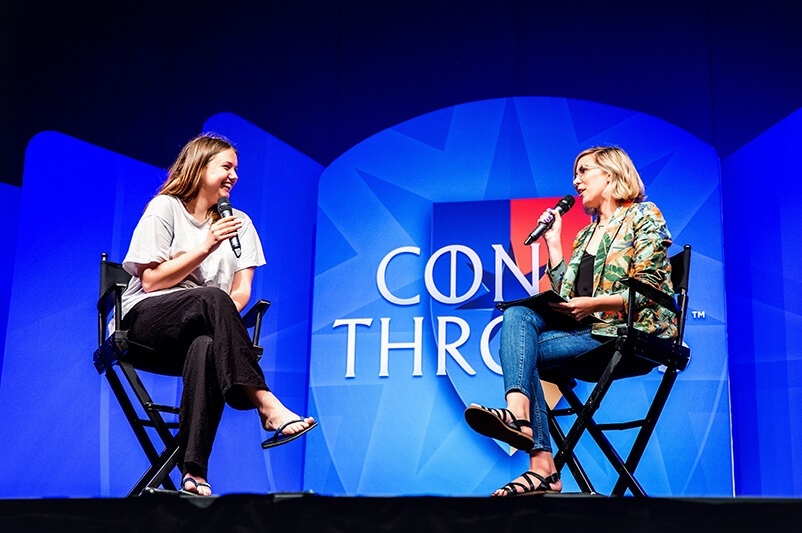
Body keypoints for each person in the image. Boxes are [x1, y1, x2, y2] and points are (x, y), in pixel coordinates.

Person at [465, 145, 676, 496]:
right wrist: (554, 244)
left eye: (583, 171)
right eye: (575, 174)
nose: (576, 181)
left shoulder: (643, 215)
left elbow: (651, 285)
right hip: (590, 331)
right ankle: (521, 421)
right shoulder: (585, 234)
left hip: (630, 332)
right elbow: (566, 294)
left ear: (611, 173)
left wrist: (595, 304)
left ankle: (541, 465)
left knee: (524, 352)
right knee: (517, 314)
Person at [119, 132, 317, 496]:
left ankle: (193, 472)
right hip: (146, 323)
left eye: (237, 169)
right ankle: (264, 401)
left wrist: (221, 313)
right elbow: (151, 280)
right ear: (199, 167)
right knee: (212, 298)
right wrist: (207, 245)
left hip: (202, 326)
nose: (234, 176)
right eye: (226, 167)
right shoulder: (165, 208)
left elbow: (241, 293)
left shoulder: (240, 223)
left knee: (208, 345)